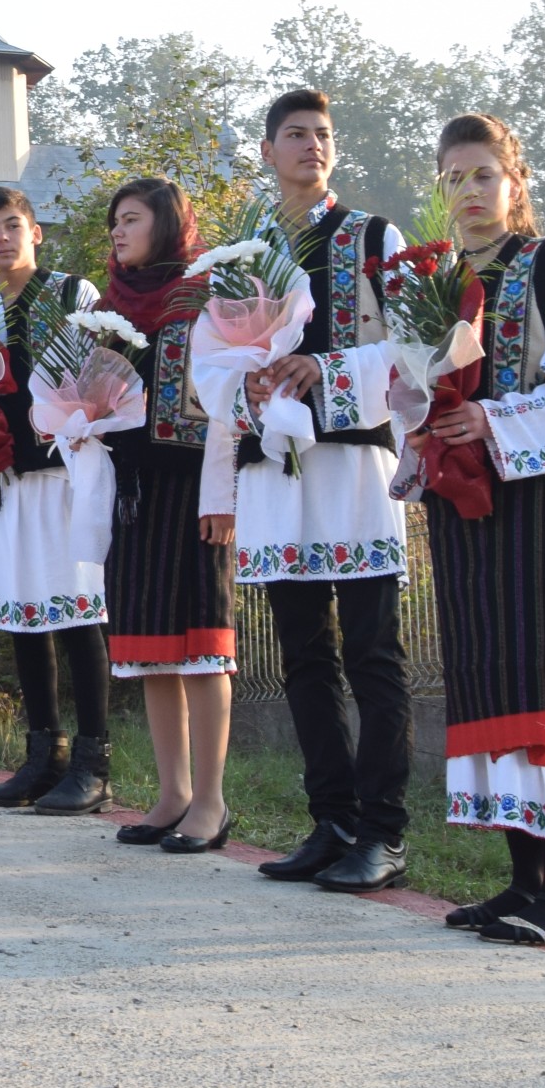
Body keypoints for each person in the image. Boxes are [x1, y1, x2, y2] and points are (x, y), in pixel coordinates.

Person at [197, 88, 412, 893]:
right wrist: (243, 388)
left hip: (352, 463)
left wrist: (324, 366)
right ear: (267, 151)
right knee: (303, 655)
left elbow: (414, 346)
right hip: (275, 469)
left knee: (371, 652)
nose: (310, 145)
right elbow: (209, 362)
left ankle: (384, 830)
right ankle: (332, 820)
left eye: (322, 134)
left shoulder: (372, 237)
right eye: (294, 134)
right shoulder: (245, 252)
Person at [412, 113, 545, 945]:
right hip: (461, 507)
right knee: (485, 675)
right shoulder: (433, 281)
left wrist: (489, 421)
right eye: (454, 177)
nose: (471, 191)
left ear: (515, 183)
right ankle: (520, 881)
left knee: (531, 682)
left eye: (485, 173)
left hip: (529, 500)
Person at [0, 185, 112, 815]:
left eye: (12, 225)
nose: (2, 237)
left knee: (77, 616)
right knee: (23, 615)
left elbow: (101, 378)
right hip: (2, 479)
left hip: (61, 475)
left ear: (35, 232)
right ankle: (41, 756)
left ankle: (93, 762)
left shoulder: (73, 294)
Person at [97, 176, 234, 851]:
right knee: (151, 648)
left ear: (167, 222)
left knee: (202, 646)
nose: (118, 233)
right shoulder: (109, 305)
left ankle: (210, 800)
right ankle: (171, 792)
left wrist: (223, 495)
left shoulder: (204, 296)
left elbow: (228, 402)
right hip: (136, 490)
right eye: (113, 223)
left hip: (193, 490)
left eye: (130, 219)